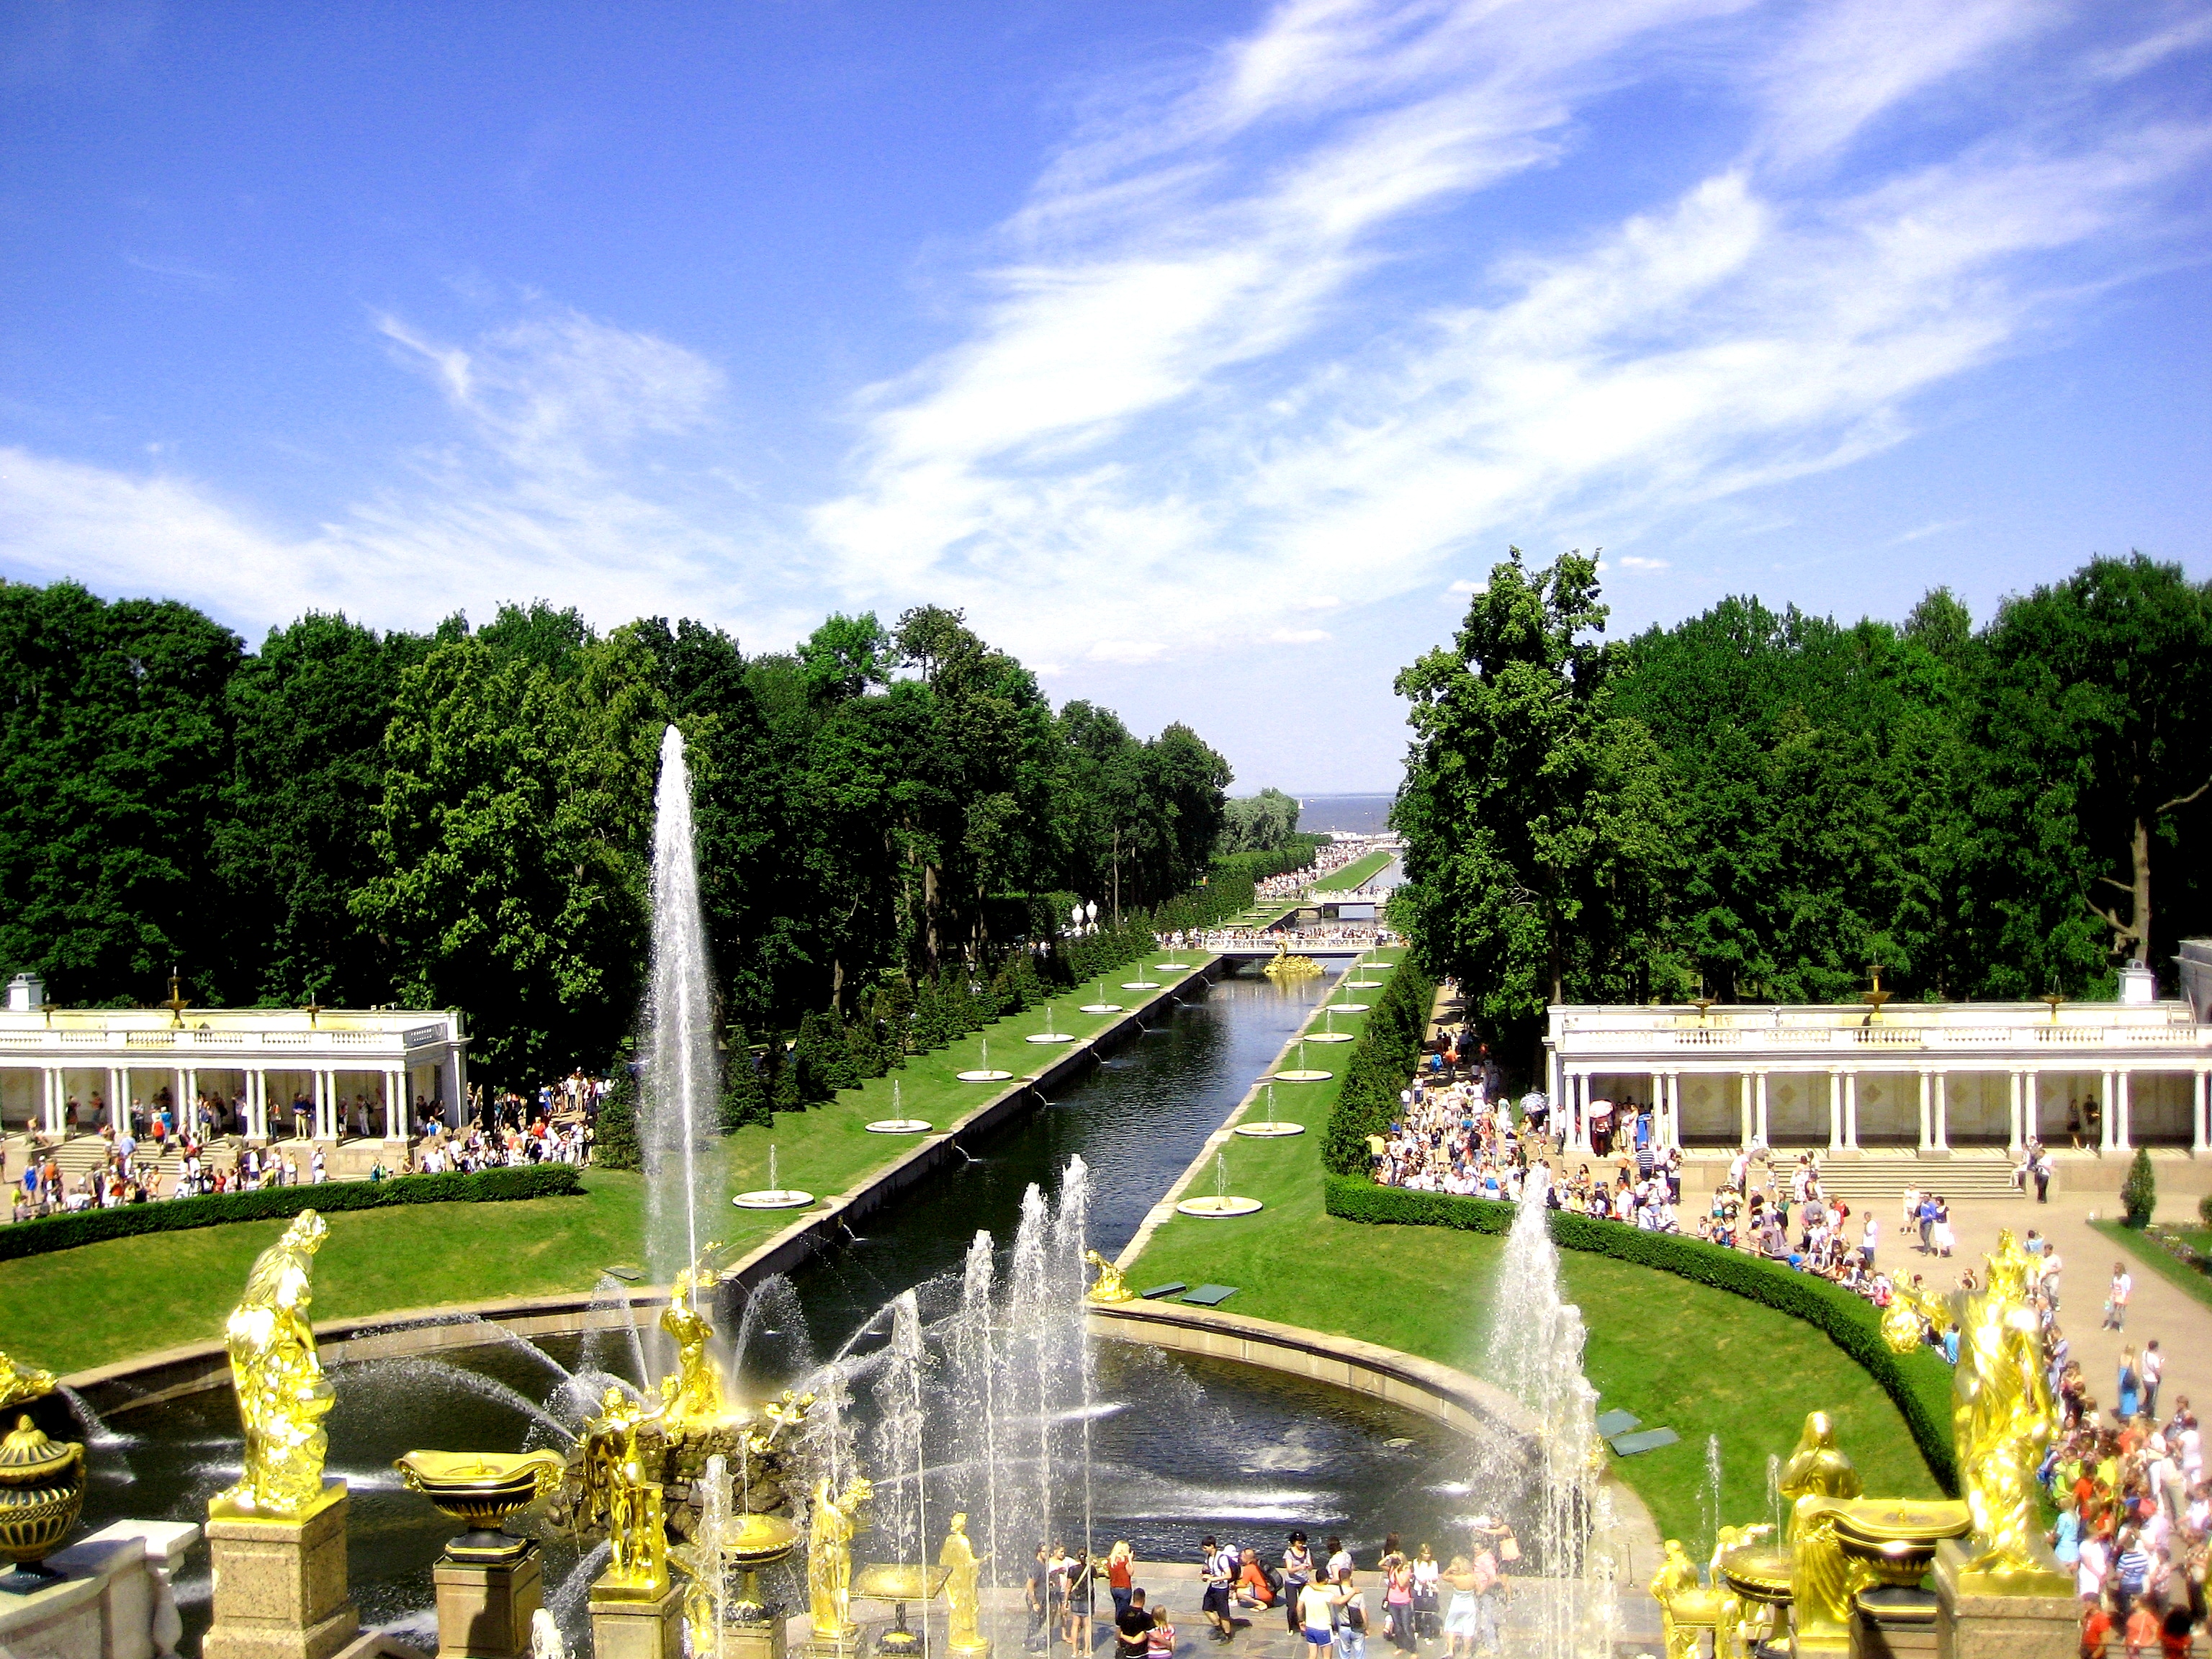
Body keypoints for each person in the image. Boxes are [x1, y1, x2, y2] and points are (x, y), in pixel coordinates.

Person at [1200, 1537, 1236, 1642]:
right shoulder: (1209, 1557)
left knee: (1223, 1614)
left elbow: (1228, 1575)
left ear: (1212, 1546)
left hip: (1222, 1590)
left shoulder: (1222, 1558)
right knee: (1206, 1609)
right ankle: (1218, 1628)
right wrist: (1204, 1575)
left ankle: (1228, 1635)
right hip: (1213, 1587)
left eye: (1205, 1547)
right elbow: (1207, 1569)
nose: (1204, 1550)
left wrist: (1213, 1579)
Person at [1298, 1575, 1344, 1654]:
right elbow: (1339, 1601)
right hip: (1324, 1629)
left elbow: (1299, 1607)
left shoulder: (1307, 1589)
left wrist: (1301, 1620)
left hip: (1310, 1627)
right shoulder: (1327, 1592)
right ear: (1326, 1579)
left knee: (1312, 1655)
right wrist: (1353, 1592)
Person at [1285, 1532, 1318, 1636]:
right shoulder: (1289, 1553)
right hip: (1291, 1582)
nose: (1301, 1545)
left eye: (1302, 1542)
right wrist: (1299, 1567)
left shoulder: (1306, 1551)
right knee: (1292, 1606)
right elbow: (1289, 1570)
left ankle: (1303, 1623)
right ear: (1294, 1542)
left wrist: (1309, 1566)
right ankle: (1291, 1626)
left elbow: (1311, 1566)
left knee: (1304, 1604)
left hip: (1303, 1581)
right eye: (1299, 1542)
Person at [1114, 1588, 1154, 1659]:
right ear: (1143, 1600)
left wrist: (1119, 1644)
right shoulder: (1146, 1617)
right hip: (1140, 1653)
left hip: (1125, 1651)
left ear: (1133, 1598)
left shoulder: (1122, 1613)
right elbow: (1154, 1635)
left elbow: (1118, 1630)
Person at [1107, 1541, 1136, 1624]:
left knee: (1118, 1608)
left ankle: (1118, 1625)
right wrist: (1130, 1560)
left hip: (1114, 1588)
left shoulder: (1111, 1560)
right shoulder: (1125, 1560)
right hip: (1124, 1588)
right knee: (1124, 1611)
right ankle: (1123, 1628)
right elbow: (1131, 1572)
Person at [2139, 1341, 2163, 1419]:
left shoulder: (2144, 1353)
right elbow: (2158, 1371)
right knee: (2152, 1399)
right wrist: (2161, 1363)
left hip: (2144, 1378)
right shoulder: (2154, 1359)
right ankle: (2150, 1416)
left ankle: (2144, 1409)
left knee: (2148, 1395)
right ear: (2156, 1348)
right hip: (2152, 1380)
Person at [2104, 1264, 2131, 1332]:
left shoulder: (2126, 1278)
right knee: (2111, 1311)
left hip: (2122, 1296)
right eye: (2115, 1267)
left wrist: (2126, 1300)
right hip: (2114, 1296)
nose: (2115, 1269)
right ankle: (2109, 1325)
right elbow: (2112, 1287)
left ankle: (2121, 1327)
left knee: (2121, 1313)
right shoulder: (2114, 1276)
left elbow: (2128, 1290)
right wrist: (2110, 1296)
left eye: (2117, 1268)